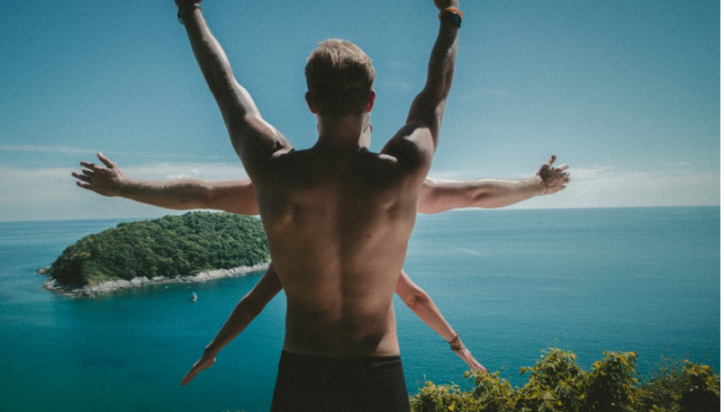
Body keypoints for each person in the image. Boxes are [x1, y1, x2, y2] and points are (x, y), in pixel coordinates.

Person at [123, 0, 565, 408]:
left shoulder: (276, 174)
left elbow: (223, 98)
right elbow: (441, 104)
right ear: (371, 101)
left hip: (303, 370)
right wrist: (450, 16)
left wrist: (190, 9)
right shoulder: (402, 173)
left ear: (311, 102)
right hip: (378, 373)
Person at [72, 150, 570, 379]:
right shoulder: (381, 232)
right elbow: (420, 293)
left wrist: (211, 349)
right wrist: (538, 184)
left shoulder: (294, 237)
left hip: (304, 370)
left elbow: (205, 201)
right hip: (376, 369)